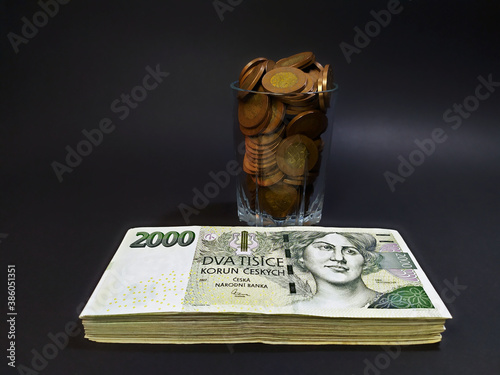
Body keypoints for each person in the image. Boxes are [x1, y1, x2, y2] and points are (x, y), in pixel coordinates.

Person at [288, 231, 383, 309]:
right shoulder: (292, 309)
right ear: (301, 254)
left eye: (350, 251)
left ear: (366, 259)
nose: (338, 258)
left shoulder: (392, 302)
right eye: (326, 247)